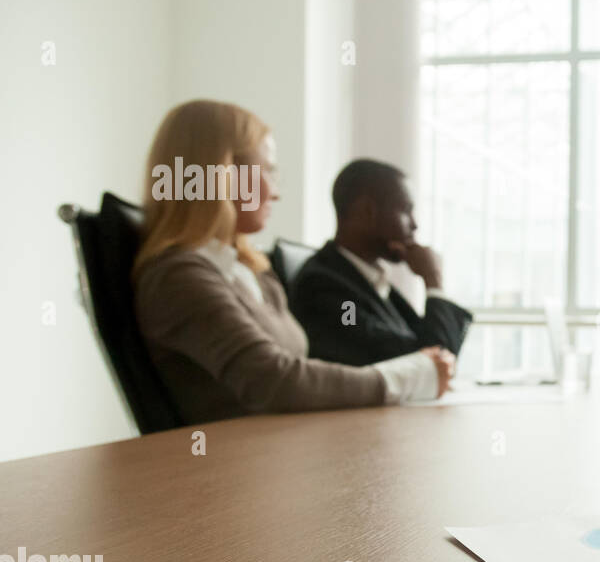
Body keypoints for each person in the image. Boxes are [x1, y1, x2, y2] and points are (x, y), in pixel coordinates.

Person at [133, 100, 453, 425]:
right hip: (234, 468)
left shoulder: (251, 271)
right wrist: (412, 376)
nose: (276, 193)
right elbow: (275, 381)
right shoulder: (178, 276)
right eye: (269, 171)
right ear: (222, 174)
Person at [288, 159, 472, 366]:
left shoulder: (371, 280)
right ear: (367, 211)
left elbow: (433, 349)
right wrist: (433, 280)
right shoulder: (327, 290)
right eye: (405, 210)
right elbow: (428, 361)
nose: (414, 224)